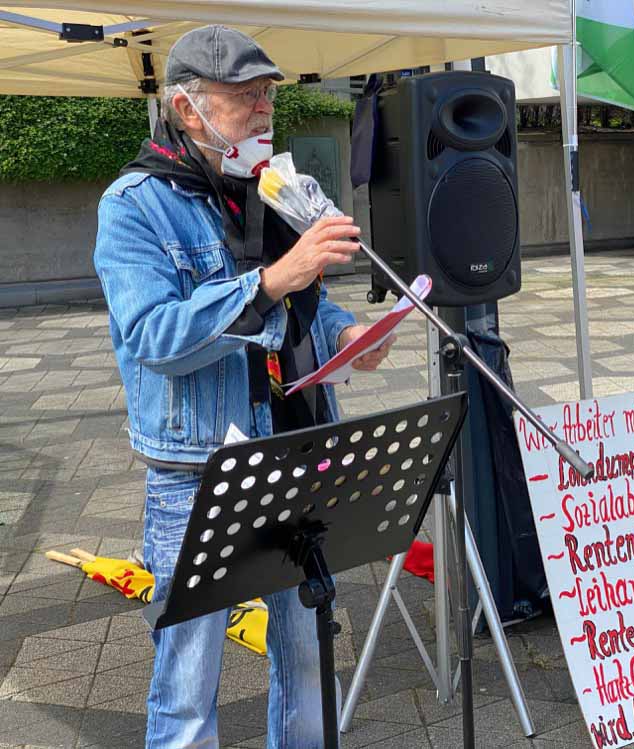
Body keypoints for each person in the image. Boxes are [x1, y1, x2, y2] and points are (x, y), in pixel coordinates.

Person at [93, 25, 393, 749]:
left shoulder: (277, 188)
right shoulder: (133, 204)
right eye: (245, 99)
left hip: (298, 447)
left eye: (267, 97)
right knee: (189, 674)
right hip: (200, 468)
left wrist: (348, 333)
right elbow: (153, 338)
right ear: (187, 110)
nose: (264, 112)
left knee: (308, 650)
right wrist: (271, 279)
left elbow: (305, 305)